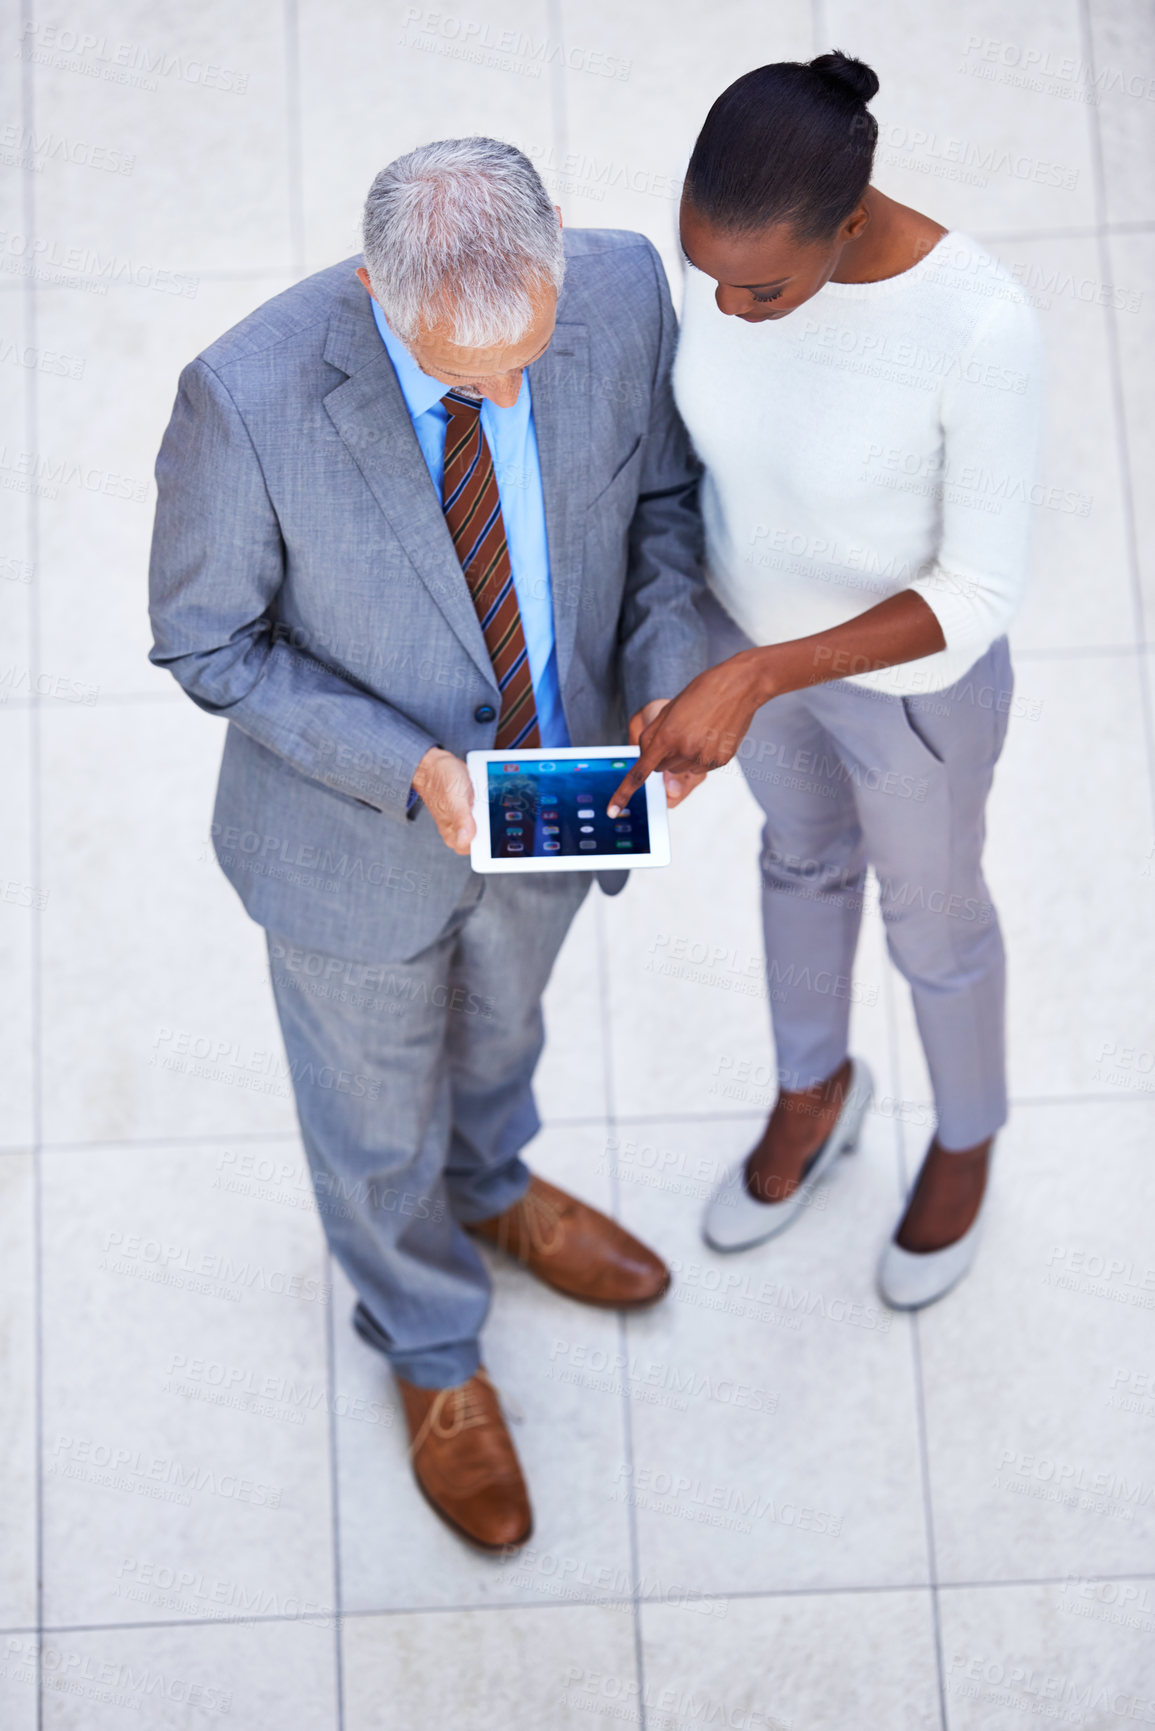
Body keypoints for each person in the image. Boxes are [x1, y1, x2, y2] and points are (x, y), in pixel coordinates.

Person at [149, 137, 706, 1551]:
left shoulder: (626, 288)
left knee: (502, 1027)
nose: (512, 394)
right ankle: (427, 1335)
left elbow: (659, 509)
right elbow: (206, 641)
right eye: (470, 380)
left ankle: (496, 1183)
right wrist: (403, 762)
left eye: (531, 352)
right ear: (374, 295)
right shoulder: (246, 397)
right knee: (367, 1107)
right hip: (350, 839)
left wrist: (661, 665)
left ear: (563, 246)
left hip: (555, 793)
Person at [609, 54, 1042, 1308]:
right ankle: (814, 1090)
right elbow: (709, 471)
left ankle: (965, 1137)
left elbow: (979, 591)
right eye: (709, 280)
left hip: (913, 695)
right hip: (750, 656)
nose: (727, 308)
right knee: (799, 865)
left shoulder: (980, 327)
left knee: (937, 928)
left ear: (849, 221)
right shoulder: (737, 264)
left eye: (760, 288)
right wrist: (699, 655)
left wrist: (757, 674)